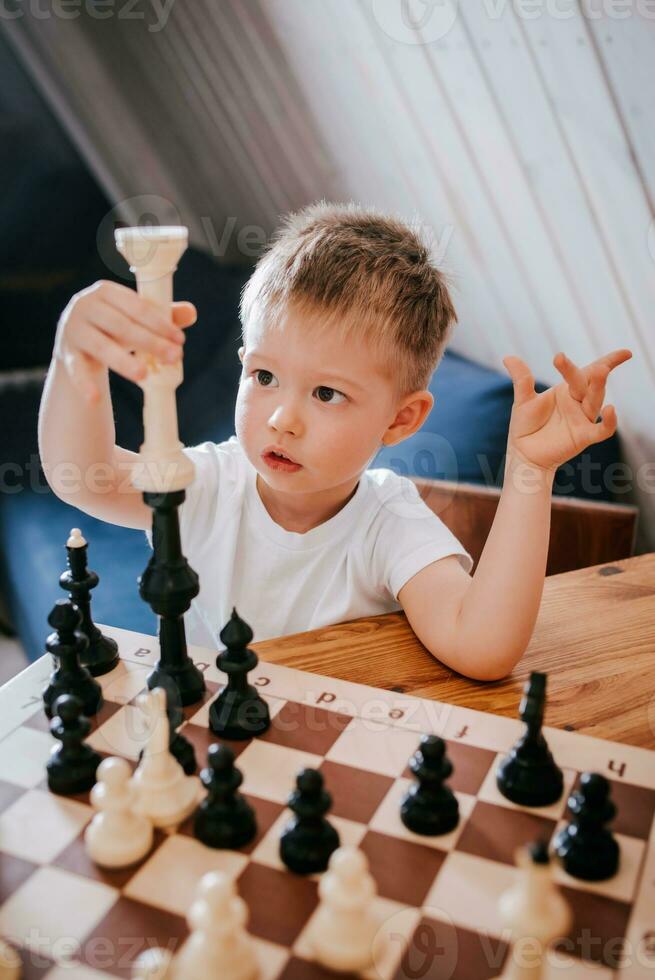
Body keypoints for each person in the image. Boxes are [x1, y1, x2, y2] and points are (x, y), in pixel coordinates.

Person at [38, 201, 632, 680]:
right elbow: (79, 477)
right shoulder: (210, 483)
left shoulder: (389, 522)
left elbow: (482, 648)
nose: (282, 420)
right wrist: (73, 358)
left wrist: (528, 471)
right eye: (264, 377)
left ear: (401, 421)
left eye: (326, 394)